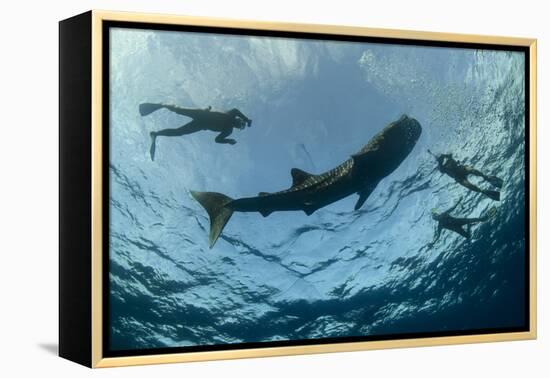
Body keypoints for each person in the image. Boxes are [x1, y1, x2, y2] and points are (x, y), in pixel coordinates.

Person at [139, 103, 252, 161]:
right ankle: (161, 105)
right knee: (178, 110)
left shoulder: (228, 131)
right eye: (241, 122)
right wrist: (247, 119)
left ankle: (156, 134)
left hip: (201, 125)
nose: (240, 125)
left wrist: (228, 141)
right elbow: (237, 110)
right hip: (202, 114)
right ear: (239, 119)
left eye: (241, 127)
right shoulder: (232, 114)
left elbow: (217, 140)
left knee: (179, 132)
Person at [428, 150, 503, 201]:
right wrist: (439, 161)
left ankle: (486, 177)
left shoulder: (448, 157)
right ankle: (483, 191)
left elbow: (450, 154)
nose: (440, 159)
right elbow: (441, 169)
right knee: (469, 186)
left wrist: (444, 155)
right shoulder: (441, 167)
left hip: (462, 169)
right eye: (438, 159)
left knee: (472, 170)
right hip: (458, 177)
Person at [430, 197, 496, 245]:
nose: (436, 217)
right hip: (457, 228)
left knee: (480, 219)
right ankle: (469, 226)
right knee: (468, 237)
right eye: (435, 217)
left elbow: (453, 208)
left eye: (435, 215)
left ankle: (488, 215)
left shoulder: (443, 215)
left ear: (437, 214)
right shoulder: (440, 225)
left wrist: (459, 201)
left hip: (460, 222)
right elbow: (438, 236)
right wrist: (433, 242)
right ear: (435, 219)